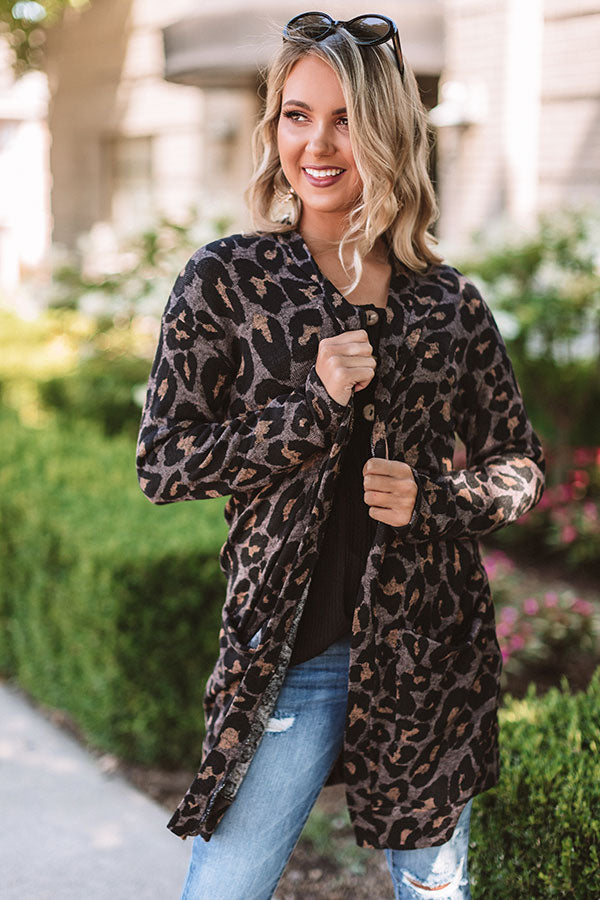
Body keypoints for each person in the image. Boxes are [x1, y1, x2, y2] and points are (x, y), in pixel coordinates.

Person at [135, 11, 546, 900]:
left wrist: (437, 499)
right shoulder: (230, 280)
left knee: (434, 891)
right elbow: (164, 462)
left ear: (390, 134)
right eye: (297, 115)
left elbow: (520, 463)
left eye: (347, 120)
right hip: (293, 652)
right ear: (274, 126)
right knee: (227, 884)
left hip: (429, 650)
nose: (316, 145)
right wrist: (313, 408)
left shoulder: (448, 303)